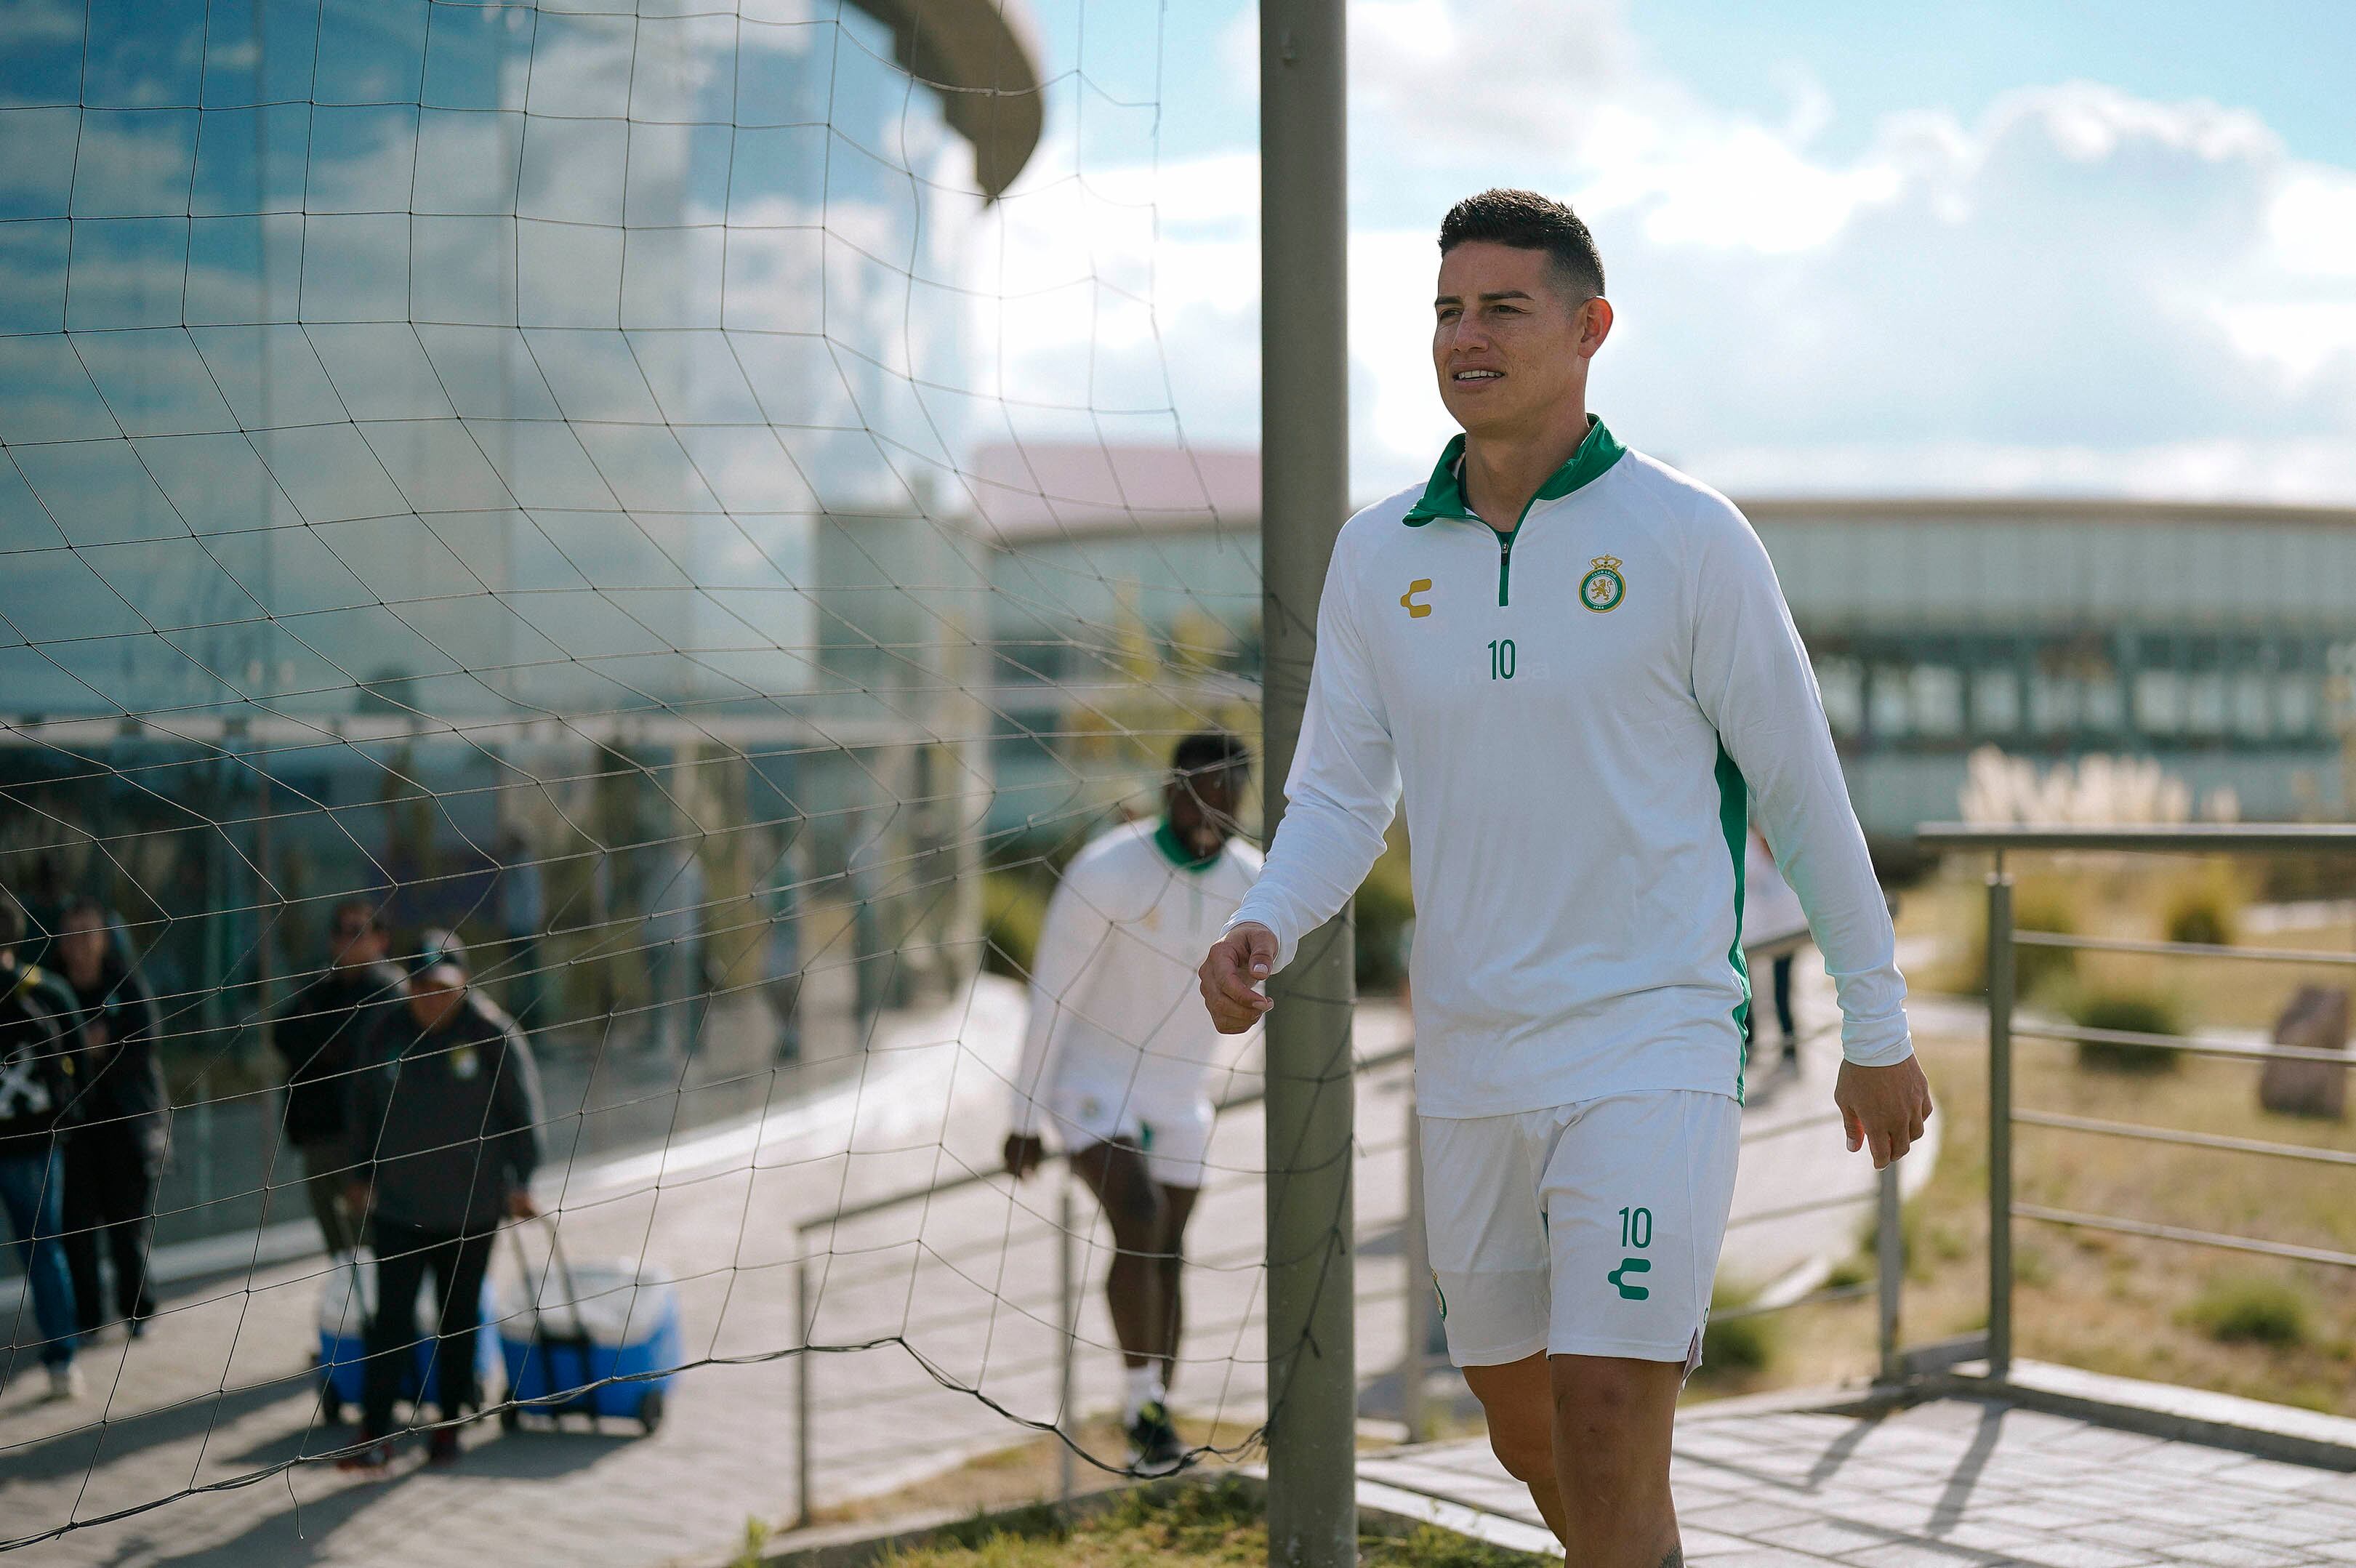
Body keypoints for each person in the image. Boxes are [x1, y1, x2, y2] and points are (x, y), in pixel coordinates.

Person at [1197, 190, 1933, 1566]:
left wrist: (1872, 1025)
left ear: (1589, 327)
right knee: (1526, 1433)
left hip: (1648, 1041)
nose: (1463, 337)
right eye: (1445, 311)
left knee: (1606, 1420)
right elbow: (1342, 791)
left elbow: (1799, 788)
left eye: (1500, 308)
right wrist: (1266, 917)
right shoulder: (1376, 554)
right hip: (1471, 1055)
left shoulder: (1689, 537)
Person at [1005, 733, 1261, 1473]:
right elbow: (1050, 995)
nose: (1212, 806)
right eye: (1197, 790)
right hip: (1091, 1078)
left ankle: (1157, 1415)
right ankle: (1138, 1401)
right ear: (1168, 790)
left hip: (1180, 1088)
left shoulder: (1254, 878)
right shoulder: (1106, 869)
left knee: (1171, 1249)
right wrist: (1023, 1119)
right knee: (1139, 1214)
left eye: (1228, 791)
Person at [341, 931, 543, 1473]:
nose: (432, 998)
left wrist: (522, 1179)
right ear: (408, 987)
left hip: (471, 1207)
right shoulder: (383, 1032)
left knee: (457, 1320)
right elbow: (360, 1109)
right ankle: (375, 1431)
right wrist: (359, 1173)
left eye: (443, 987)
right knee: (392, 1320)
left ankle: (449, 1424)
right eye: (422, 987)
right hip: (399, 1207)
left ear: (463, 984)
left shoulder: (491, 1033)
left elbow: (521, 1114)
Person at [54, 898, 165, 1340]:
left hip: (124, 1126)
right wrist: (84, 1046)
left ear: (104, 937)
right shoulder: (52, 989)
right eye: (72, 933)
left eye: (88, 932)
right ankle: (88, 1317)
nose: (81, 943)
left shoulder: (125, 983)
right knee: (76, 1228)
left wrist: (104, 1045)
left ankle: (138, 1308)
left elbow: (148, 1040)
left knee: (128, 1225)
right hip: (72, 1131)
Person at [270, 902, 406, 1259]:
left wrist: (321, 1042)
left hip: (362, 1141)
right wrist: (324, 1045)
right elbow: (282, 1034)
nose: (346, 940)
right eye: (339, 932)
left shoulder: (389, 991)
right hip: (318, 1136)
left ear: (381, 939)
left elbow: (359, 1051)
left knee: (372, 1244)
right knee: (339, 1250)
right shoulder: (323, 987)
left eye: (357, 931)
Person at [0, 890, 83, 1401]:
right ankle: (62, 1361)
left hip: (33, 1144)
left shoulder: (40, 991)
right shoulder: (46, 988)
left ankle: (63, 1357)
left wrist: (65, 1121)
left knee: (44, 1250)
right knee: (44, 1250)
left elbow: (77, 1061)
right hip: (36, 1140)